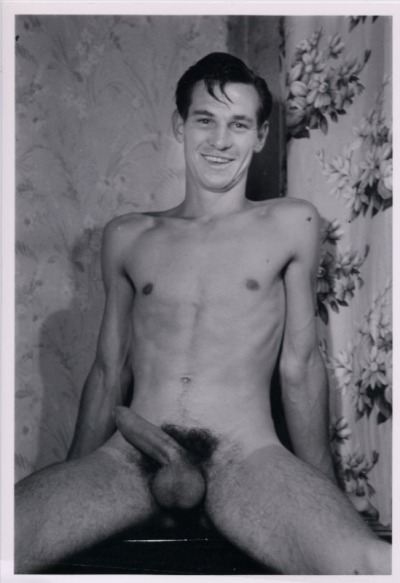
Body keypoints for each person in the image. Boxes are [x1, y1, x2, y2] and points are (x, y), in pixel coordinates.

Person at [15, 52, 391, 575]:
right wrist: (74, 476)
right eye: (205, 120)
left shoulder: (291, 223)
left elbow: (300, 367)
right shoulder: (127, 235)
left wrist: (323, 491)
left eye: (238, 124)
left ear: (260, 135)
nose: (220, 140)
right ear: (180, 125)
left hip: (244, 457)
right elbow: (107, 371)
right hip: (132, 455)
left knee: (369, 565)